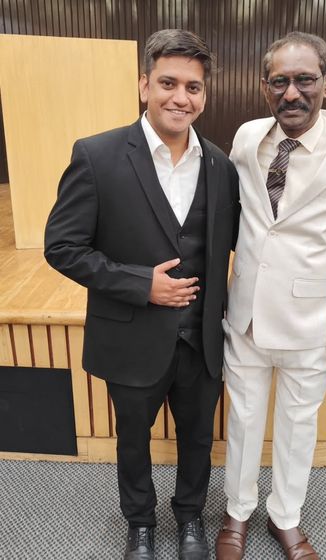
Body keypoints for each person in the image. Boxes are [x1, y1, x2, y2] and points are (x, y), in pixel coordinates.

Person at [45, 29, 240, 560]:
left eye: (193, 87)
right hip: (130, 337)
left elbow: (243, 239)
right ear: (143, 85)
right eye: (168, 83)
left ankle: (190, 517)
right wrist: (140, 284)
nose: (181, 97)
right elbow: (62, 247)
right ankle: (140, 524)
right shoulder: (97, 155)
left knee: (198, 437)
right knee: (132, 438)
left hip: (201, 339)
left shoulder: (221, 166)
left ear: (204, 95)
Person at [216, 31, 326, 560]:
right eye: (280, 81)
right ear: (265, 86)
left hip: (308, 323)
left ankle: (285, 517)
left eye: (305, 80)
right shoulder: (247, 138)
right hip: (245, 314)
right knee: (243, 421)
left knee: (297, 428)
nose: (291, 93)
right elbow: (246, 219)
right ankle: (237, 511)